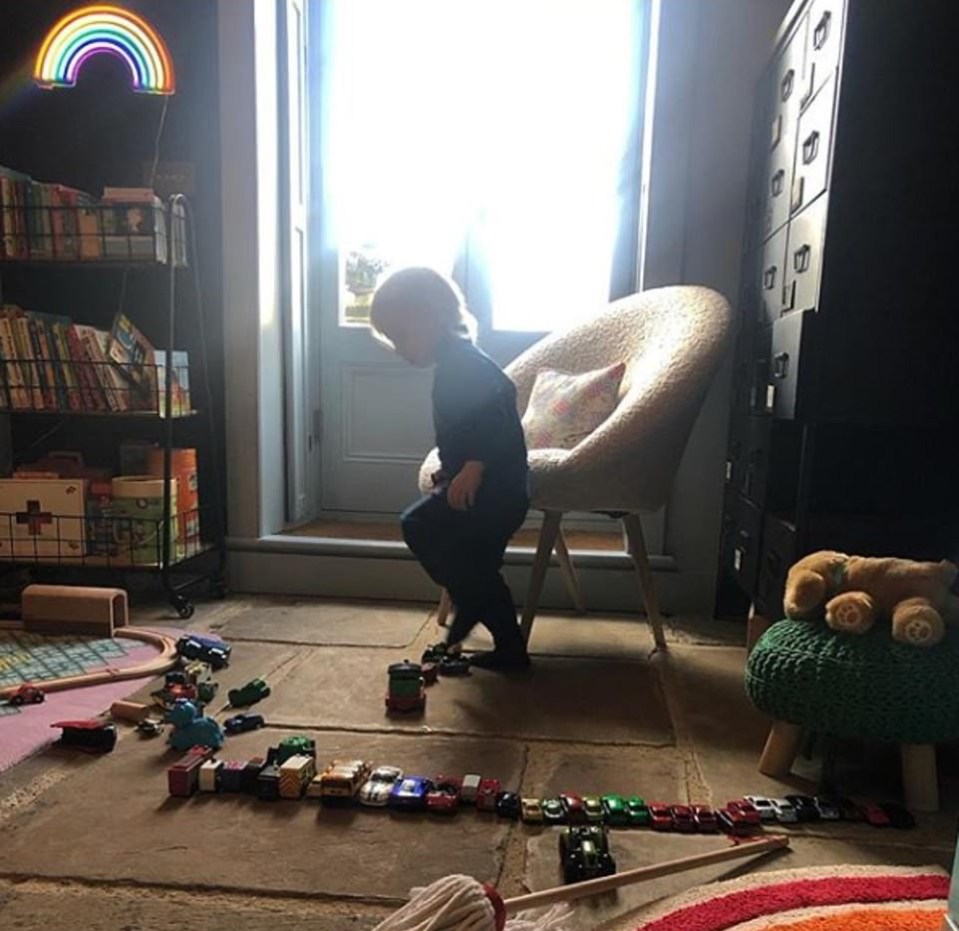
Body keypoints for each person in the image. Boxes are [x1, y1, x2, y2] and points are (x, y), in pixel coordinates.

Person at [370, 267, 531, 671]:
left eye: (402, 336)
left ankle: (471, 603)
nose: (399, 349)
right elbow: (461, 429)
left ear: (433, 318)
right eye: (392, 340)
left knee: (419, 525)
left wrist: (475, 465)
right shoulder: (454, 365)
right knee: (479, 568)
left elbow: (498, 415)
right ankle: (508, 649)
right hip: (486, 489)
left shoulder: (465, 365)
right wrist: (452, 468)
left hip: (496, 491)